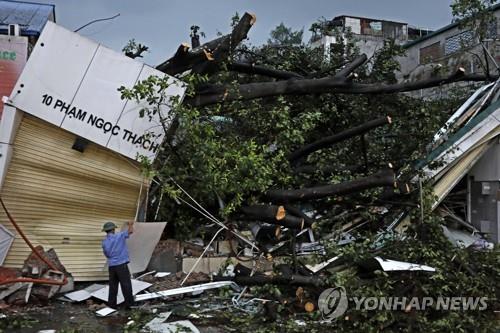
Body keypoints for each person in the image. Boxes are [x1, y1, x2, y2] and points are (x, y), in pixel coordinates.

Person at [101, 220, 135, 309]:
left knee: (113, 286)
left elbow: (106, 254)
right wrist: (131, 224)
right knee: (126, 284)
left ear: (105, 231)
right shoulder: (119, 236)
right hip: (121, 265)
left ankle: (112, 305)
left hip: (112, 266)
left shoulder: (104, 242)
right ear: (113, 230)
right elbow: (130, 231)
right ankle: (129, 305)